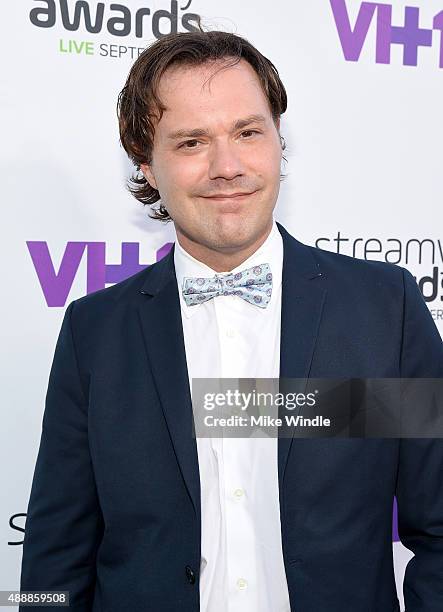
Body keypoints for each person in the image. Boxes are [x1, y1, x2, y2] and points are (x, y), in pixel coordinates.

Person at [19, 29, 443, 612]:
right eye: (192, 142)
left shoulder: (382, 311)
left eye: (247, 132)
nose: (228, 166)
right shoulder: (95, 334)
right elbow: (52, 556)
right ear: (146, 162)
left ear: (277, 142)